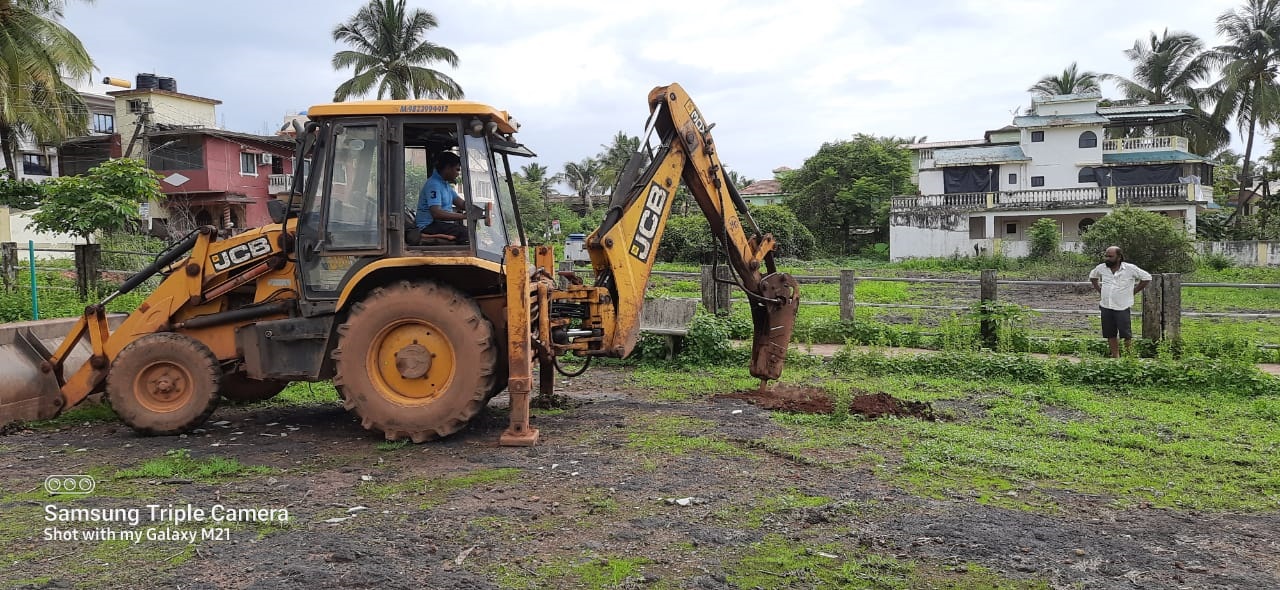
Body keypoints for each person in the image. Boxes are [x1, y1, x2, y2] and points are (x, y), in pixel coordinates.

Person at [1088, 246, 1151, 358]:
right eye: (1106, 256)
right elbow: (1093, 276)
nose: (1107, 258)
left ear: (1119, 257)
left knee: (1126, 334)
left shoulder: (1130, 268)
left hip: (1122, 306)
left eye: (1110, 256)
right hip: (1106, 305)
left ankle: (1129, 357)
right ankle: (1115, 356)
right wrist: (1099, 290)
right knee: (1110, 333)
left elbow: (1147, 277)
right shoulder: (1102, 268)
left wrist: (1134, 291)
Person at [416, 151, 470, 244]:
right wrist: (465, 216)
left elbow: (461, 203)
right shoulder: (434, 184)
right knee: (466, 233)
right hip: (429, 226)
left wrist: (476, 208)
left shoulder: (445, 185)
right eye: (457, 170)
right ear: (448, 168)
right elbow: (437, 213)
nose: (458, 174)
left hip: (439, 224)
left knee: (468, 232)